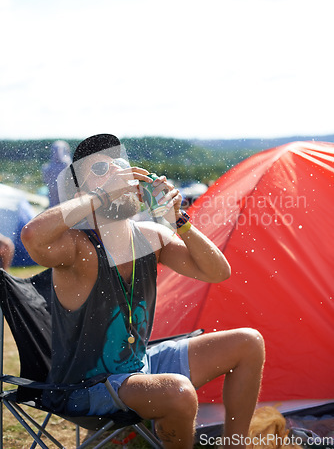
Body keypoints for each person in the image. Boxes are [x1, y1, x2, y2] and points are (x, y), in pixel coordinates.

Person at [22, 134, 265, 449]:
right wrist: (99, 196)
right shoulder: (77, 246)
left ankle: (234, 445)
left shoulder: (152, 236)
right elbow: (32, 238)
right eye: (100, 169)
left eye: (120, 165)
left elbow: (218, 272)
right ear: (81, 192)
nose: (117, 174)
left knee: (248, 343)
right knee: (177, 393)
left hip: (140, 368)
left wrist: (177, 218)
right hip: (86, 388)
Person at [42, 140, 72, 207]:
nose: (57, 153)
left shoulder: (47, 168)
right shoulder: (47, 168)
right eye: (55, 150)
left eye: (60, 150)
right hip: (54, 200)